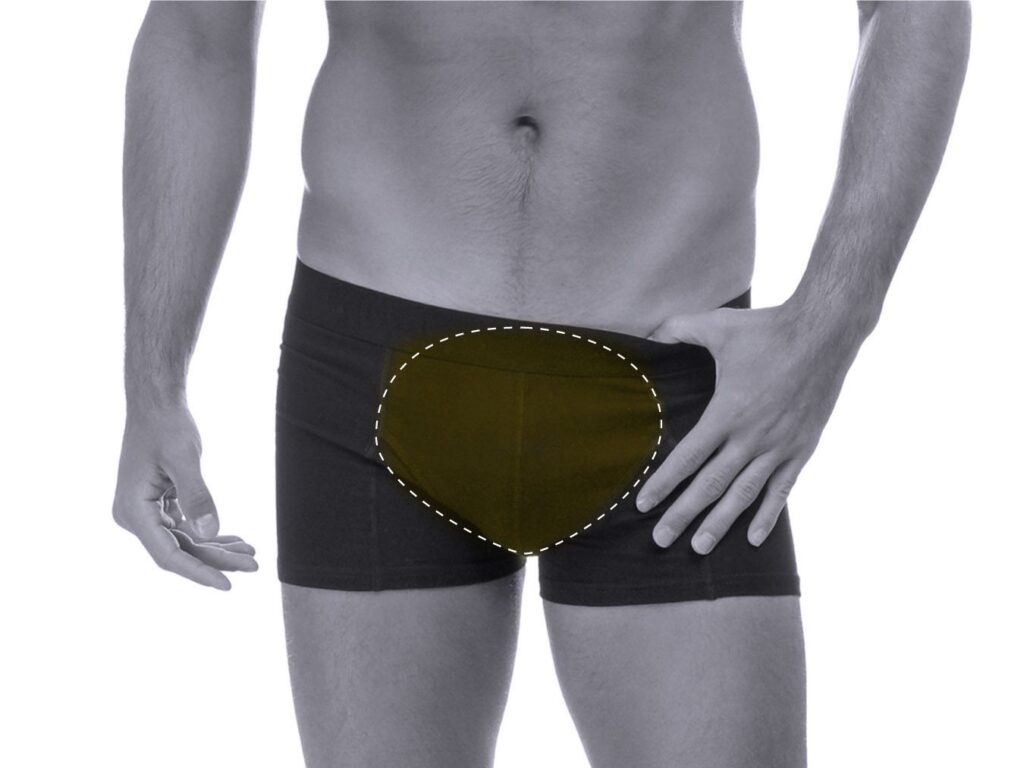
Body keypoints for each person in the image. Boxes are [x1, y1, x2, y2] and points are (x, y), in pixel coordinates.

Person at [112, 2, 970, 766]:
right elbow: (197, 35)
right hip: (373, 369)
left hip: (679, 393)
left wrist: (829, 325)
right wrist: (153, 387)